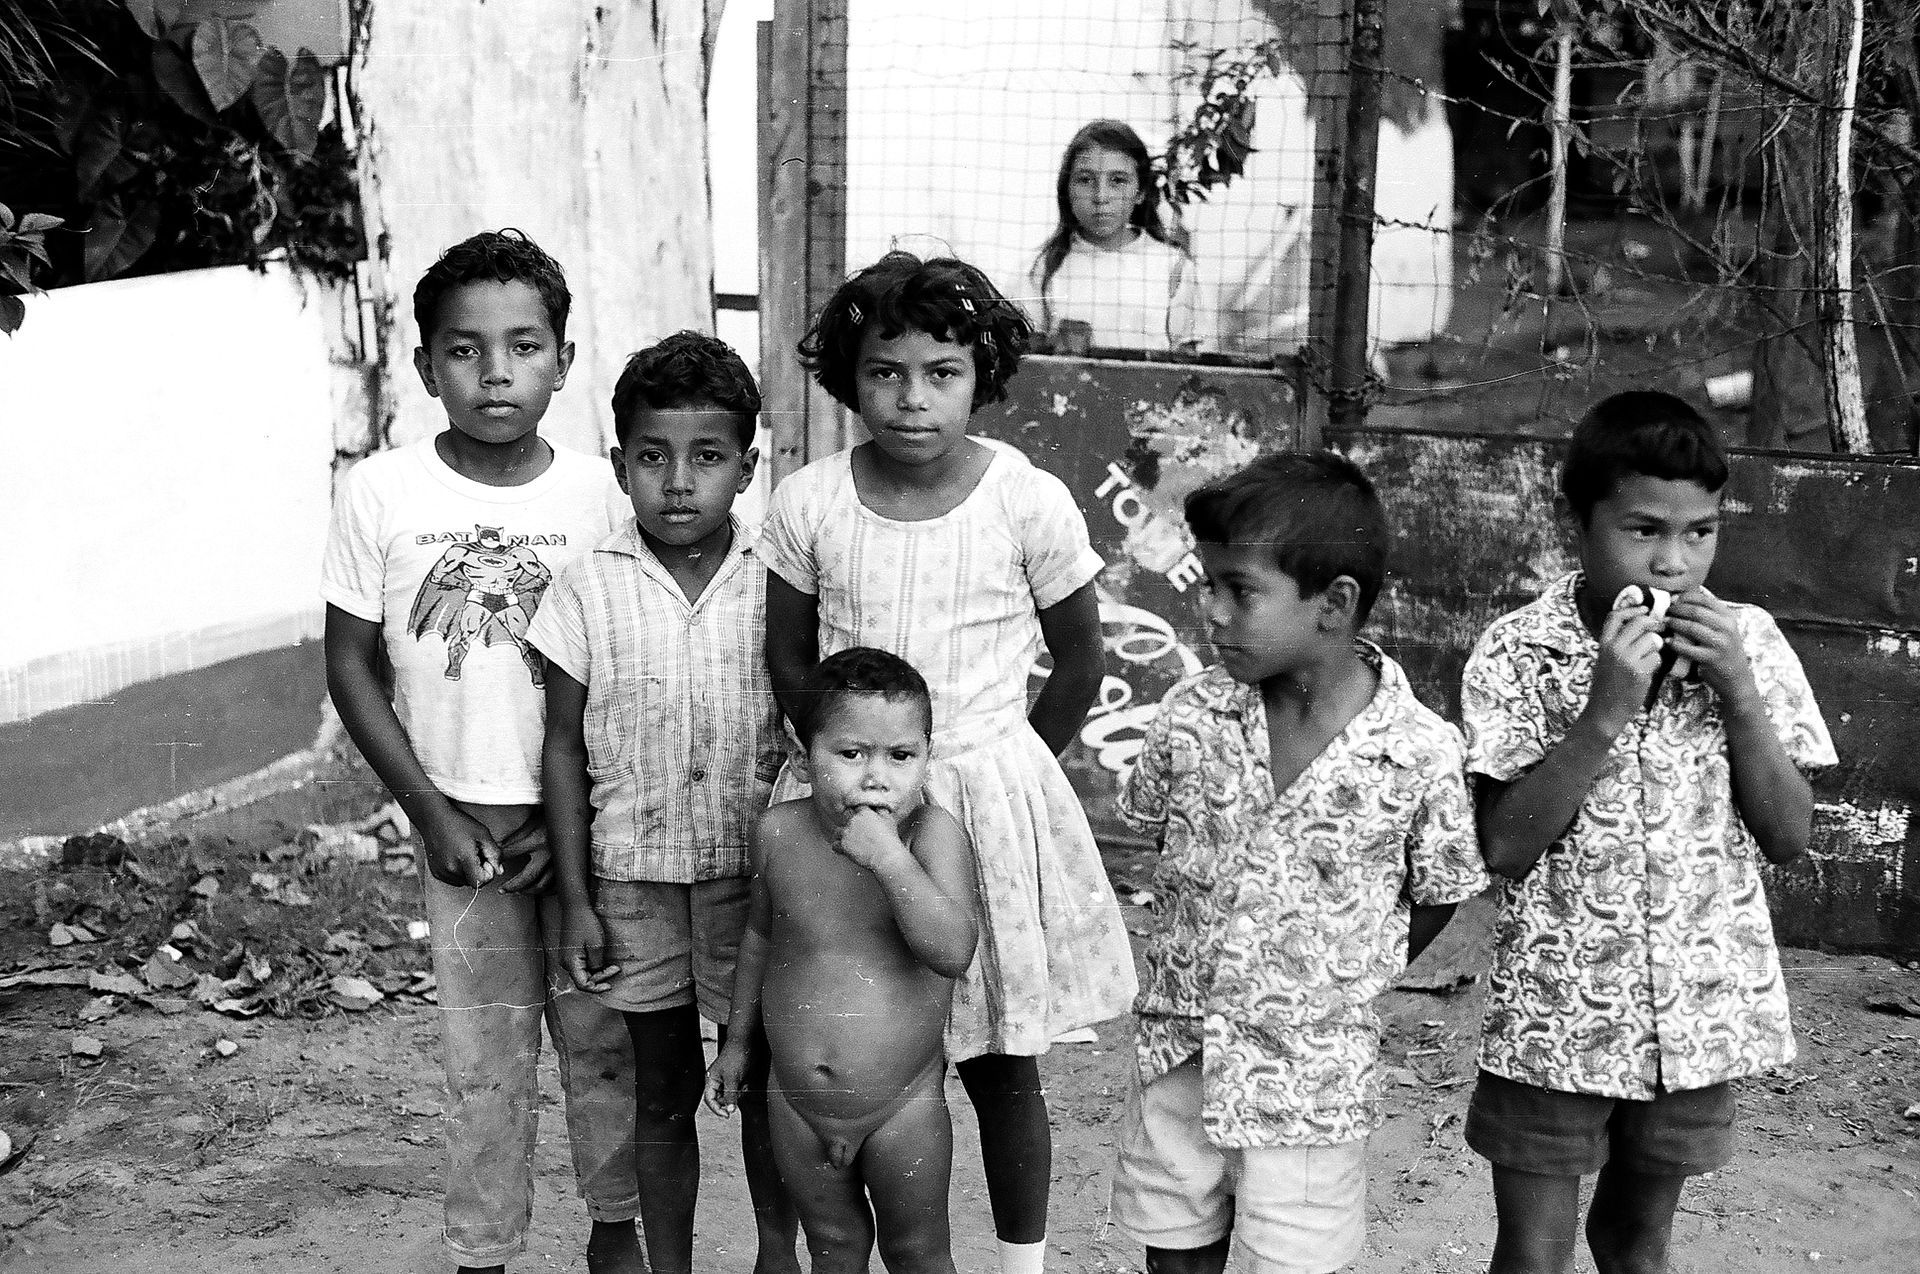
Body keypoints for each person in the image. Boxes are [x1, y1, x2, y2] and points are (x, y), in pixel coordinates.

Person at [760, 250, 1138, 1274]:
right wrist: (846, 773)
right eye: (885, 372)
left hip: (988, 800)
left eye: (942, 371)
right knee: (845, 1028)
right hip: (850, 801)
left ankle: (1021, 1264)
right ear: (849, 375)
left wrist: (1007, 770)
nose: (913, 397)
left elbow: (1082, 658)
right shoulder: (810, 501)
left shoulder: (1027, 499)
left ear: (983, 374)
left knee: (1003, 1061)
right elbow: (790, 656)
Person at [321, 229, 641, 1274]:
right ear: (425, 366)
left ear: (563, 358)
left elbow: (628, 666)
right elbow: (353, 664)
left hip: (585, 832)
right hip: (463, 828)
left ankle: (616, 1230)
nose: (495, 371)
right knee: (485, 1056)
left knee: (603, 1040)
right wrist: (431, 812)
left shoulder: (603, 495)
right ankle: (483, 1251)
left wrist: (578, 822)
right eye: (465, 349)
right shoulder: (383, 492)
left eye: (523, 345)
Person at [1460, 391, 1837, 1274]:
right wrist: (1604, 712)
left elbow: (1788, 835)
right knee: (1535, 1251)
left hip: (1698, 1016)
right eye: (1643, 530)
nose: (1673, 562)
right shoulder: (1517, 650)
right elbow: (1503, 847)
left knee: (1636, 1242)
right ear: (1578, 523)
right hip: (1554, 1018)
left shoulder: (1752, 643)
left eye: (1700, 532)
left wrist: (1740, 691)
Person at [1112, 451, 1491, 1274]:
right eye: (1207, 583)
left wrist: (1350, 971)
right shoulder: (1191, 713)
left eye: (1238, 590)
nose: (1209, 609)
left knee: (1293, 1258)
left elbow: (1440, 890)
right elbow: (1154, 832)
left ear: (1335, 604)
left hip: (1311, 1079)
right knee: (1174, 1243)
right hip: (1181, 1049)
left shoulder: (1420, 751)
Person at [529, 330, 800, 1274]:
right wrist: (574, 897)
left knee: (762, 1079)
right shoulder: (585, 588)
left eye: (707, 457)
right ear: (619, 465)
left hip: (753, 888)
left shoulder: (780, 584)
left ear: (748, 467)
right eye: (653, 458)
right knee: (661, 1089)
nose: (678, 482)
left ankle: (777, 1253)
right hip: (631, 883)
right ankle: (668, 1264)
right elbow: (562, 749)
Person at [707, 647, 979, 1274]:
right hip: (795, 1101)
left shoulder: (932, 836)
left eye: (900, 756)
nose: (875, 776)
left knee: (917, 1252)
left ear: (927, 760)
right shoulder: (779, 832)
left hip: (903, 1106)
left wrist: (890, 860)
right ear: (802, 757)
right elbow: (761, 938)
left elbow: (953, 950)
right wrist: (738, 1045)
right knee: (833, 1246)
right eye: (850, 754)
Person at [1029, 120, 1199, 354]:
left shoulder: (1173, 267)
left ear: (1140, 192)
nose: (1101, 196)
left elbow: (1192, 363)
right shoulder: (1043, 268)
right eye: (1085, 180)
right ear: (1067, 189)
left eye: (1117, 181)